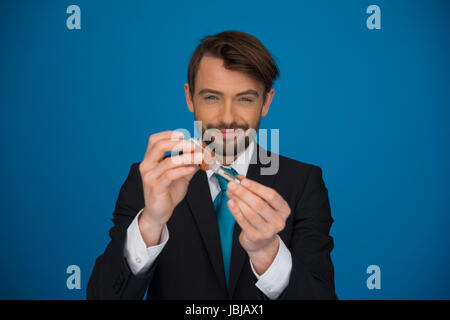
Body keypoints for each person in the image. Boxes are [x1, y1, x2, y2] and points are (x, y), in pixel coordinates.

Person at [87, 30, 337, 300]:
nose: (227, 118)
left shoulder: (303, 183)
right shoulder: (149, 180)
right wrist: (151, 223)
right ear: (189, 97)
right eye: (211, 98)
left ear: (266, 102)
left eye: (245, 99)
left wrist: (269, 255)